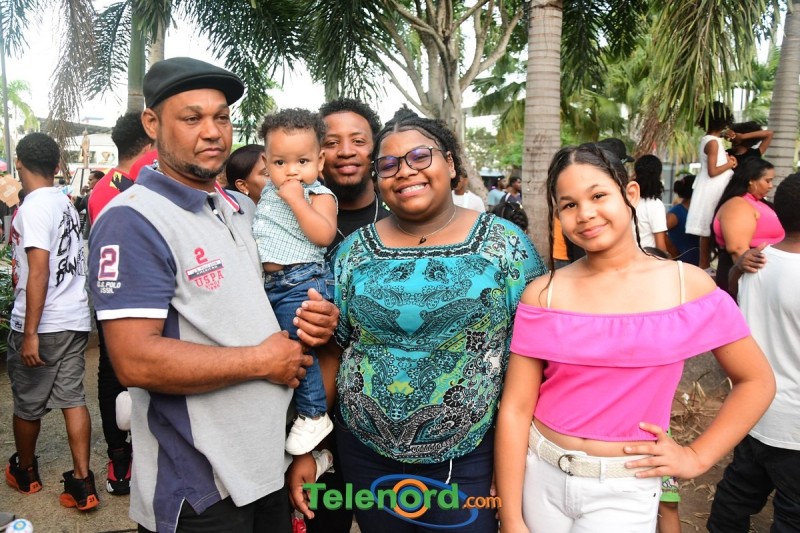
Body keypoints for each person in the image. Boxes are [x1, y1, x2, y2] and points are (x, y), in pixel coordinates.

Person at [88, 57, 338, 533]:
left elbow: (266, 304)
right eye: (192, 118)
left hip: (268, 465)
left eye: (221, 117)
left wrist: (318, 315)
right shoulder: (133, 219)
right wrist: (261, 361)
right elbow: (135, 361)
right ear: (152, 123)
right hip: (200, 488)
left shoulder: (244, 207)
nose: (212, 132)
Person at [494, 143, 775, 532]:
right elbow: (516, 408)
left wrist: (696, 457)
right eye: (569, 204)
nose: (585, 213)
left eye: (598, 195)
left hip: (625, 487)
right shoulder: (544, 293)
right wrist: (511, 518)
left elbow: (757, 381)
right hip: (540, 474)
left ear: (630, 193)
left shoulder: (686, 286)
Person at [291, 113, 546, 531]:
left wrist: (515, 463)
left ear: (450, 163)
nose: (405, 171)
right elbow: (333, 352)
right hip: (364, 454)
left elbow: (535, 360)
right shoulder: (353, 251)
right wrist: (308, 449)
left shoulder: (506, 245)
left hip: (471, 458)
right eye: (388, 164)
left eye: (420, 156)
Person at [287, 98, 390, 533]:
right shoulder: (287, 219)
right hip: (312, 413)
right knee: (321, 523)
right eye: (331, 142)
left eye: (358, 141)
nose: (346, 151)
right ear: (316, 152)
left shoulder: (400, 218)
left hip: (384, 422)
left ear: (375, 149)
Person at [6, 133, 97, 511]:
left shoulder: (33, 208)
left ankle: (25, 471)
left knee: (27, 404)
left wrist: (30, 333)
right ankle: (82, 482)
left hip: (43, 324)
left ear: (19, 163)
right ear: (57, 166)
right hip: (73, 319)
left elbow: (39, 271)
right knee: (73, 399)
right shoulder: (64, 203)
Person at [707, 173, 800, 533]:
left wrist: (734, 270)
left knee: (736, 496)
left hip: (753, 412)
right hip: (793, 426)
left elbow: (733, 293)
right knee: (792, 514)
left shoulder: (755, 261)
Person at [253, 108, 338, 455]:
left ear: (320, 161)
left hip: (303, 279)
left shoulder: (320, 195)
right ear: (265, 163)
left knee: (298, 348)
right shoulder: (268, 194)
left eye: (302, 161)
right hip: (272, 284)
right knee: (278, 349)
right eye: (280, 162)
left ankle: (314, 414)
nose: (291, 171)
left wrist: (296, 201)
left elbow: (323, 234)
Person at [86, 112, 154, 497]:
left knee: (119, 375)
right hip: (123, 299)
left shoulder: (104, 187)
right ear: (150, 141)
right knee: (115, 375)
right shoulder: (117, 188)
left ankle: (127, 457)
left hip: (121, 298)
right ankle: (119, 457)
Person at [711, 157, 784, 295]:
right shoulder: (737, 205)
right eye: (767, 180)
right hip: (749, 279)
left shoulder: (758, 203)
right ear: (751, 179)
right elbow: (739, 251)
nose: (770, 186)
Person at [685, 101, 737, 271]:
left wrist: (724, 134)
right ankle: (705, 264)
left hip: (710, 187)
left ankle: (706, 264)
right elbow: (713, 171)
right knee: (708, 229)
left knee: (708, 230)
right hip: (713, 189)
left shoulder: (711, 139)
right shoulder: (713, 143)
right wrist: (729, 164)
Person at [633, 154, 668, 253]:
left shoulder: (628, 201)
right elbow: (660, 246)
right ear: (659, 175)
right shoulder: (655, 205)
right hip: (647, 258)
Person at [665, 174, 700, 265]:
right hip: (680, 265)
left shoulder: (698, 212)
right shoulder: (675, 213)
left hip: (696, 265)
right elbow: (661, 233)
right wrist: (674, 252)